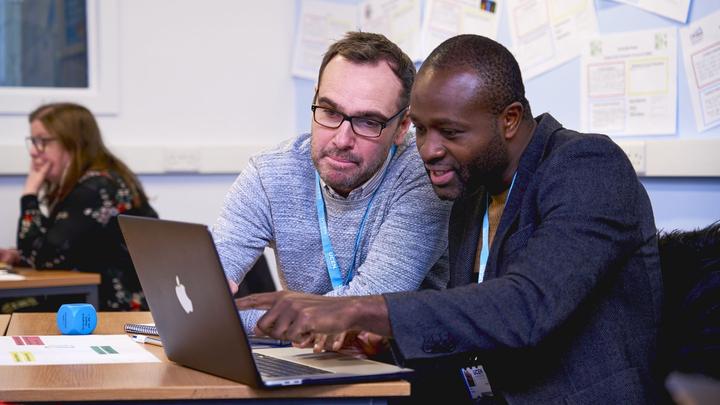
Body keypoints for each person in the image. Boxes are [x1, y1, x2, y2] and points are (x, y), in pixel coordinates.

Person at [237, 34, 663, 404]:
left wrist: (357, 310)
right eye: (421, 130)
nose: (428, 150)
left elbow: (525, 307)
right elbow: (469, 325)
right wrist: (384, 340)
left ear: (509, 119)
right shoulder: (470, 188)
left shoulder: (587, 166)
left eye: (450, 132)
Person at [212, 31, 450, 333]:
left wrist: (228, 321)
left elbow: (364, 311)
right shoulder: (270, 173)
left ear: (402, 127)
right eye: (330, 112)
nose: (342, 139)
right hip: (304, 359)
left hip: (400, 367)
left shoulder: (422, 176)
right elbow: (204, 293)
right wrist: (212, 311)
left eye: (368, 122)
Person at [0, 102, 158, 312]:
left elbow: (45, 258)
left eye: (42, 141)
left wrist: (30, 192)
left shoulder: (98, 187)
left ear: (72, 143)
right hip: (90, 299)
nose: (34, 152)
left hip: (115, 307)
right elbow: (63, 249)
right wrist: (19, 256)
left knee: (7, 309)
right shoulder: (88, 182)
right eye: (33, 141)